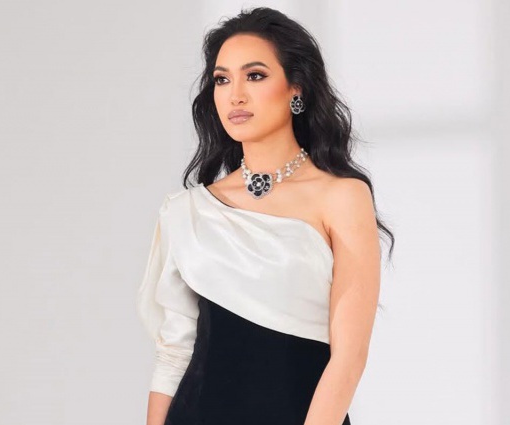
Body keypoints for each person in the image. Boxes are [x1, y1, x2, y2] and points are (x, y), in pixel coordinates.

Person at [137, 6, 395, 425]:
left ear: (296, 88)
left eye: (255, 76)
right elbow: (173, 353)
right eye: (222, 79)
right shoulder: (187, 211)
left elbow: (349, 358)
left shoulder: (342, 197)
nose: (235, 95)